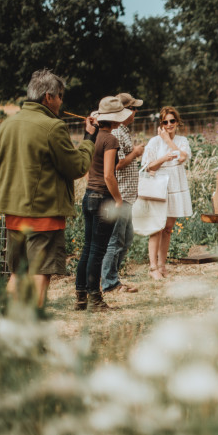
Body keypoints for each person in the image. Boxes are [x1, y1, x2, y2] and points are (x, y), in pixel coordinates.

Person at [0, 69, 97, 309]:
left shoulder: (6, 125)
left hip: (14, 216)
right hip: (44, 216)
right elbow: (77, 166)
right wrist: (89, 139)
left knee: (17, 273)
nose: (61, 101)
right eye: (59, 96)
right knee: (39, 274)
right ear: (48, 97)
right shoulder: (53, 127)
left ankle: (3, 331)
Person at [75, 96, 134, 311]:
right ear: (116, 119)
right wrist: (118, 200)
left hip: (89, 195)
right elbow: (110, 175)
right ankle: (95, 300)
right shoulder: (110, 139)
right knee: (97, 252)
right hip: (103, 198)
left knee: (87, 248)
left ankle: (81, 297)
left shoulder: (91, 137)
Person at [100, 92, 145, 294]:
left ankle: (113, 277)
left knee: (125, 239)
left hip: (128, 195)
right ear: (125, 111)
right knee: (116, 240)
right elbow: (116, 165)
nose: (135, 112)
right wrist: (135, 153)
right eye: (133, 108)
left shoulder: (123, 131)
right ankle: (109, 282)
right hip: (122, 194)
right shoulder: (117, 134)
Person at [142, 106, 193, 280]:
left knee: (168, 228)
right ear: (161, 124)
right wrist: (163, 157)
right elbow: (148, 166)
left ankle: (163, 265)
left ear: (177, 122)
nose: (169, 124)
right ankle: (153, 266)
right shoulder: (154, 143)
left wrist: (168, 140)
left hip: (175, 187)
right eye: (165, 122)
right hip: (159, 187)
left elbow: (182, 157)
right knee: (157, 227)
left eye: (172, 121)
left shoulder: (182, 141)